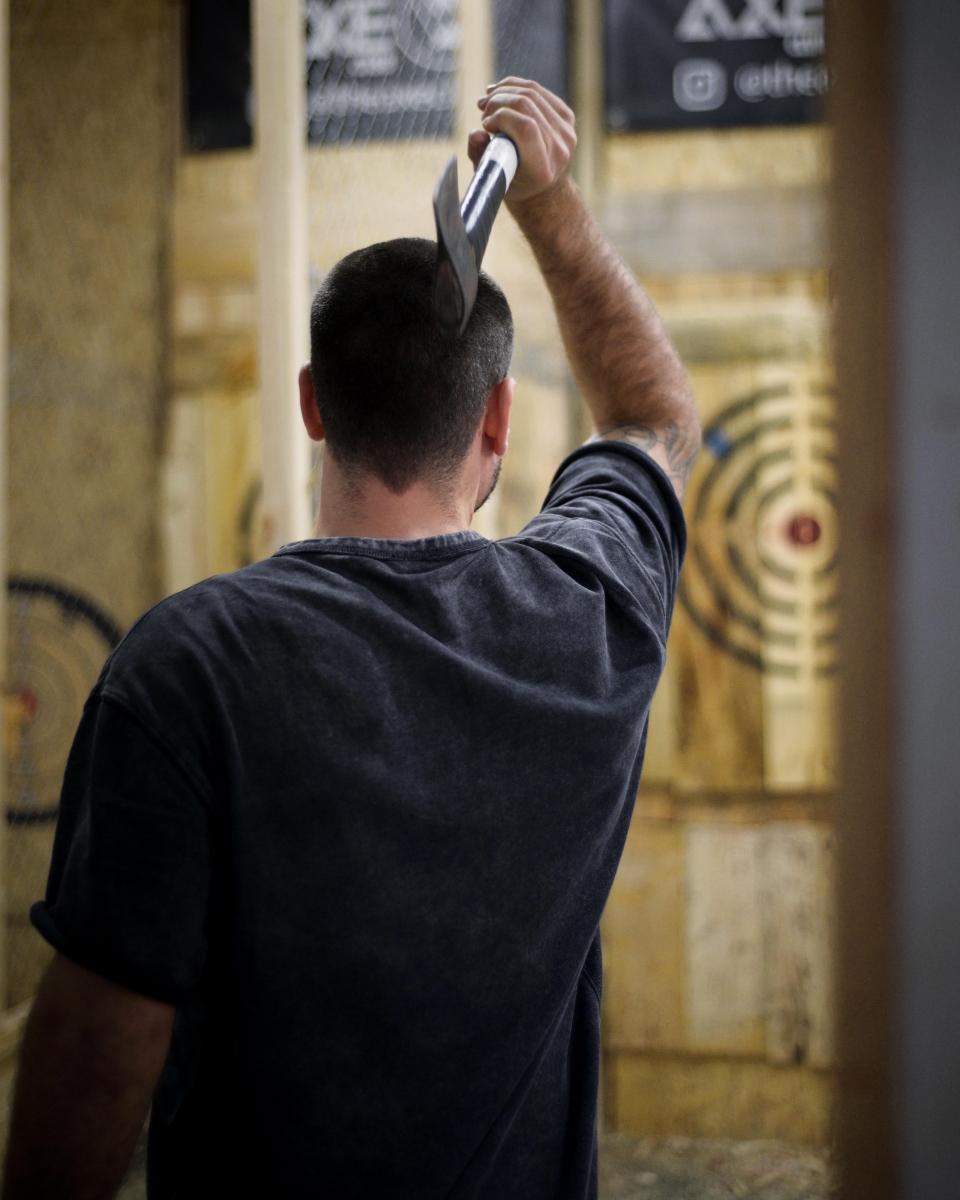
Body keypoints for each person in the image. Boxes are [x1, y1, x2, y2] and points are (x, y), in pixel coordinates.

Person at [2, 79, 699, 1200]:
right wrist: (550, 204)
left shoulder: (186, 667)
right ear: (498, 419)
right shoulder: (588, 613)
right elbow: (654, 417)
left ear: (312, 403)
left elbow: (100, 1048)